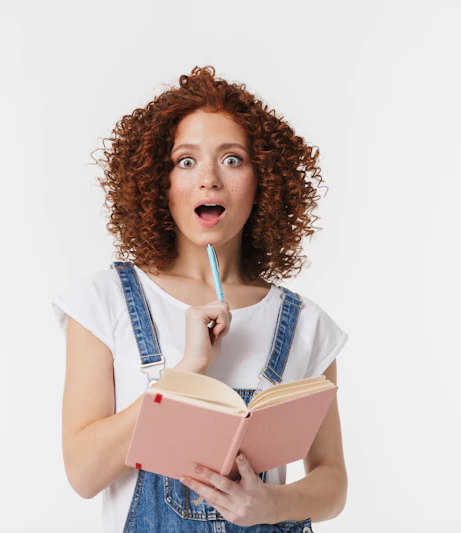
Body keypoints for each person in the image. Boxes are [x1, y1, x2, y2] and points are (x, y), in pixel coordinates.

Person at [51, 65, 349, 533]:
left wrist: (267, 505)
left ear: (263, 180)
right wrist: (186, 371)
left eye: (232, 159)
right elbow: (84, 474)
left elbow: (332, 485)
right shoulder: (104, 301)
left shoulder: (307, 324)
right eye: (185, 161)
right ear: (159, 182)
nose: (209, 179)